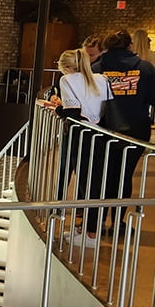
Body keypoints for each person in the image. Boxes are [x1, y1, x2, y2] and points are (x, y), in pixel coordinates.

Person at [77, 30, 155, 247]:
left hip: (103, 131)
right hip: (135, 132)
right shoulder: (144, 68)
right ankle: (118, 223)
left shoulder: (97, 68)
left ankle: (94, 224)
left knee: (102, 176)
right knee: (124, 176)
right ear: (130, 45)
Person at [50, 49, 113, 200]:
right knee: (96, 179)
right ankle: (94, 220)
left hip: (81, 134)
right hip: (102, 132)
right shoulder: (102, 79)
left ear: (66, 68)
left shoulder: (67, 80)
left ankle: (61, 208)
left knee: (83, 177)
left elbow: (73, 112)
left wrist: (58, 109)